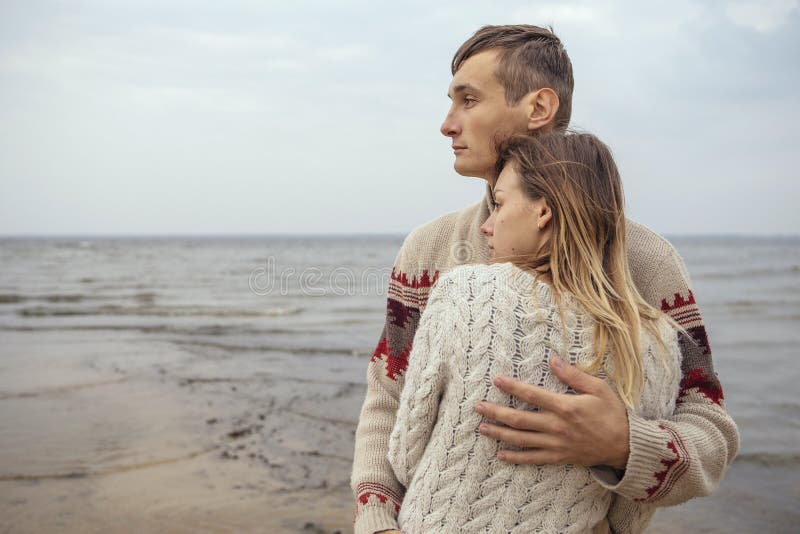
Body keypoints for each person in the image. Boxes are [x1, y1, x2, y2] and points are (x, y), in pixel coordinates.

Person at [350, 25, 739, 534]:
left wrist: (624, 445)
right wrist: (378, 521)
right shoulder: (428, 251)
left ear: (538, 108)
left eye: (468, 100)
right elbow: (387, 398)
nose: (447, 125)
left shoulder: (644, 260)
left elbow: (710, 430)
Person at [388, 131, 684, 532]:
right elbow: (631, 511)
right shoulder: (656, 340)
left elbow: (405, 453)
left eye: (500, 204)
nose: (487, 226)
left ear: (543, 211)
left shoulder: (465, 294)